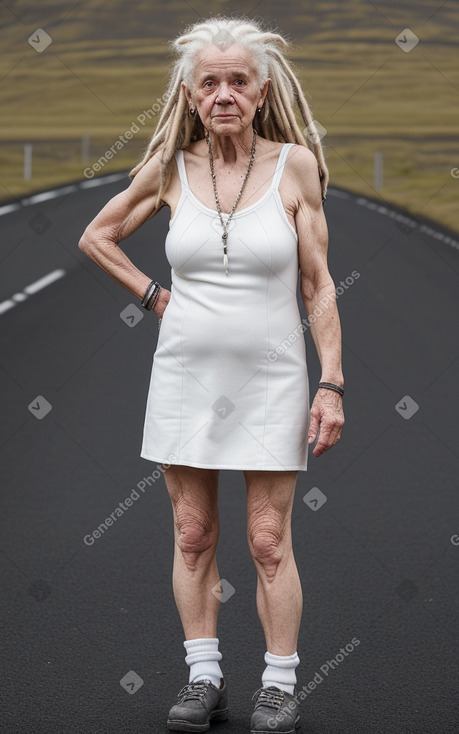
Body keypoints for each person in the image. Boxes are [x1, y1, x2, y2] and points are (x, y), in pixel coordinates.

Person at [78, 15, 345, 734]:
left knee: (266, 539)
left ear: (261, 91)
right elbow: (96, 236)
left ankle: (280, 685)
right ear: (191, 95)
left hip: (273, 381)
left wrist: (331, 382)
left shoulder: (294, 167)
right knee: (193, 534)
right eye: (209, 82)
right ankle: (203, 677)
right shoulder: (169, 169)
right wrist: (154, 296)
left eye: (236, 81)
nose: (222, 93)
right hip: (185, 377)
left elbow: (317, 285)